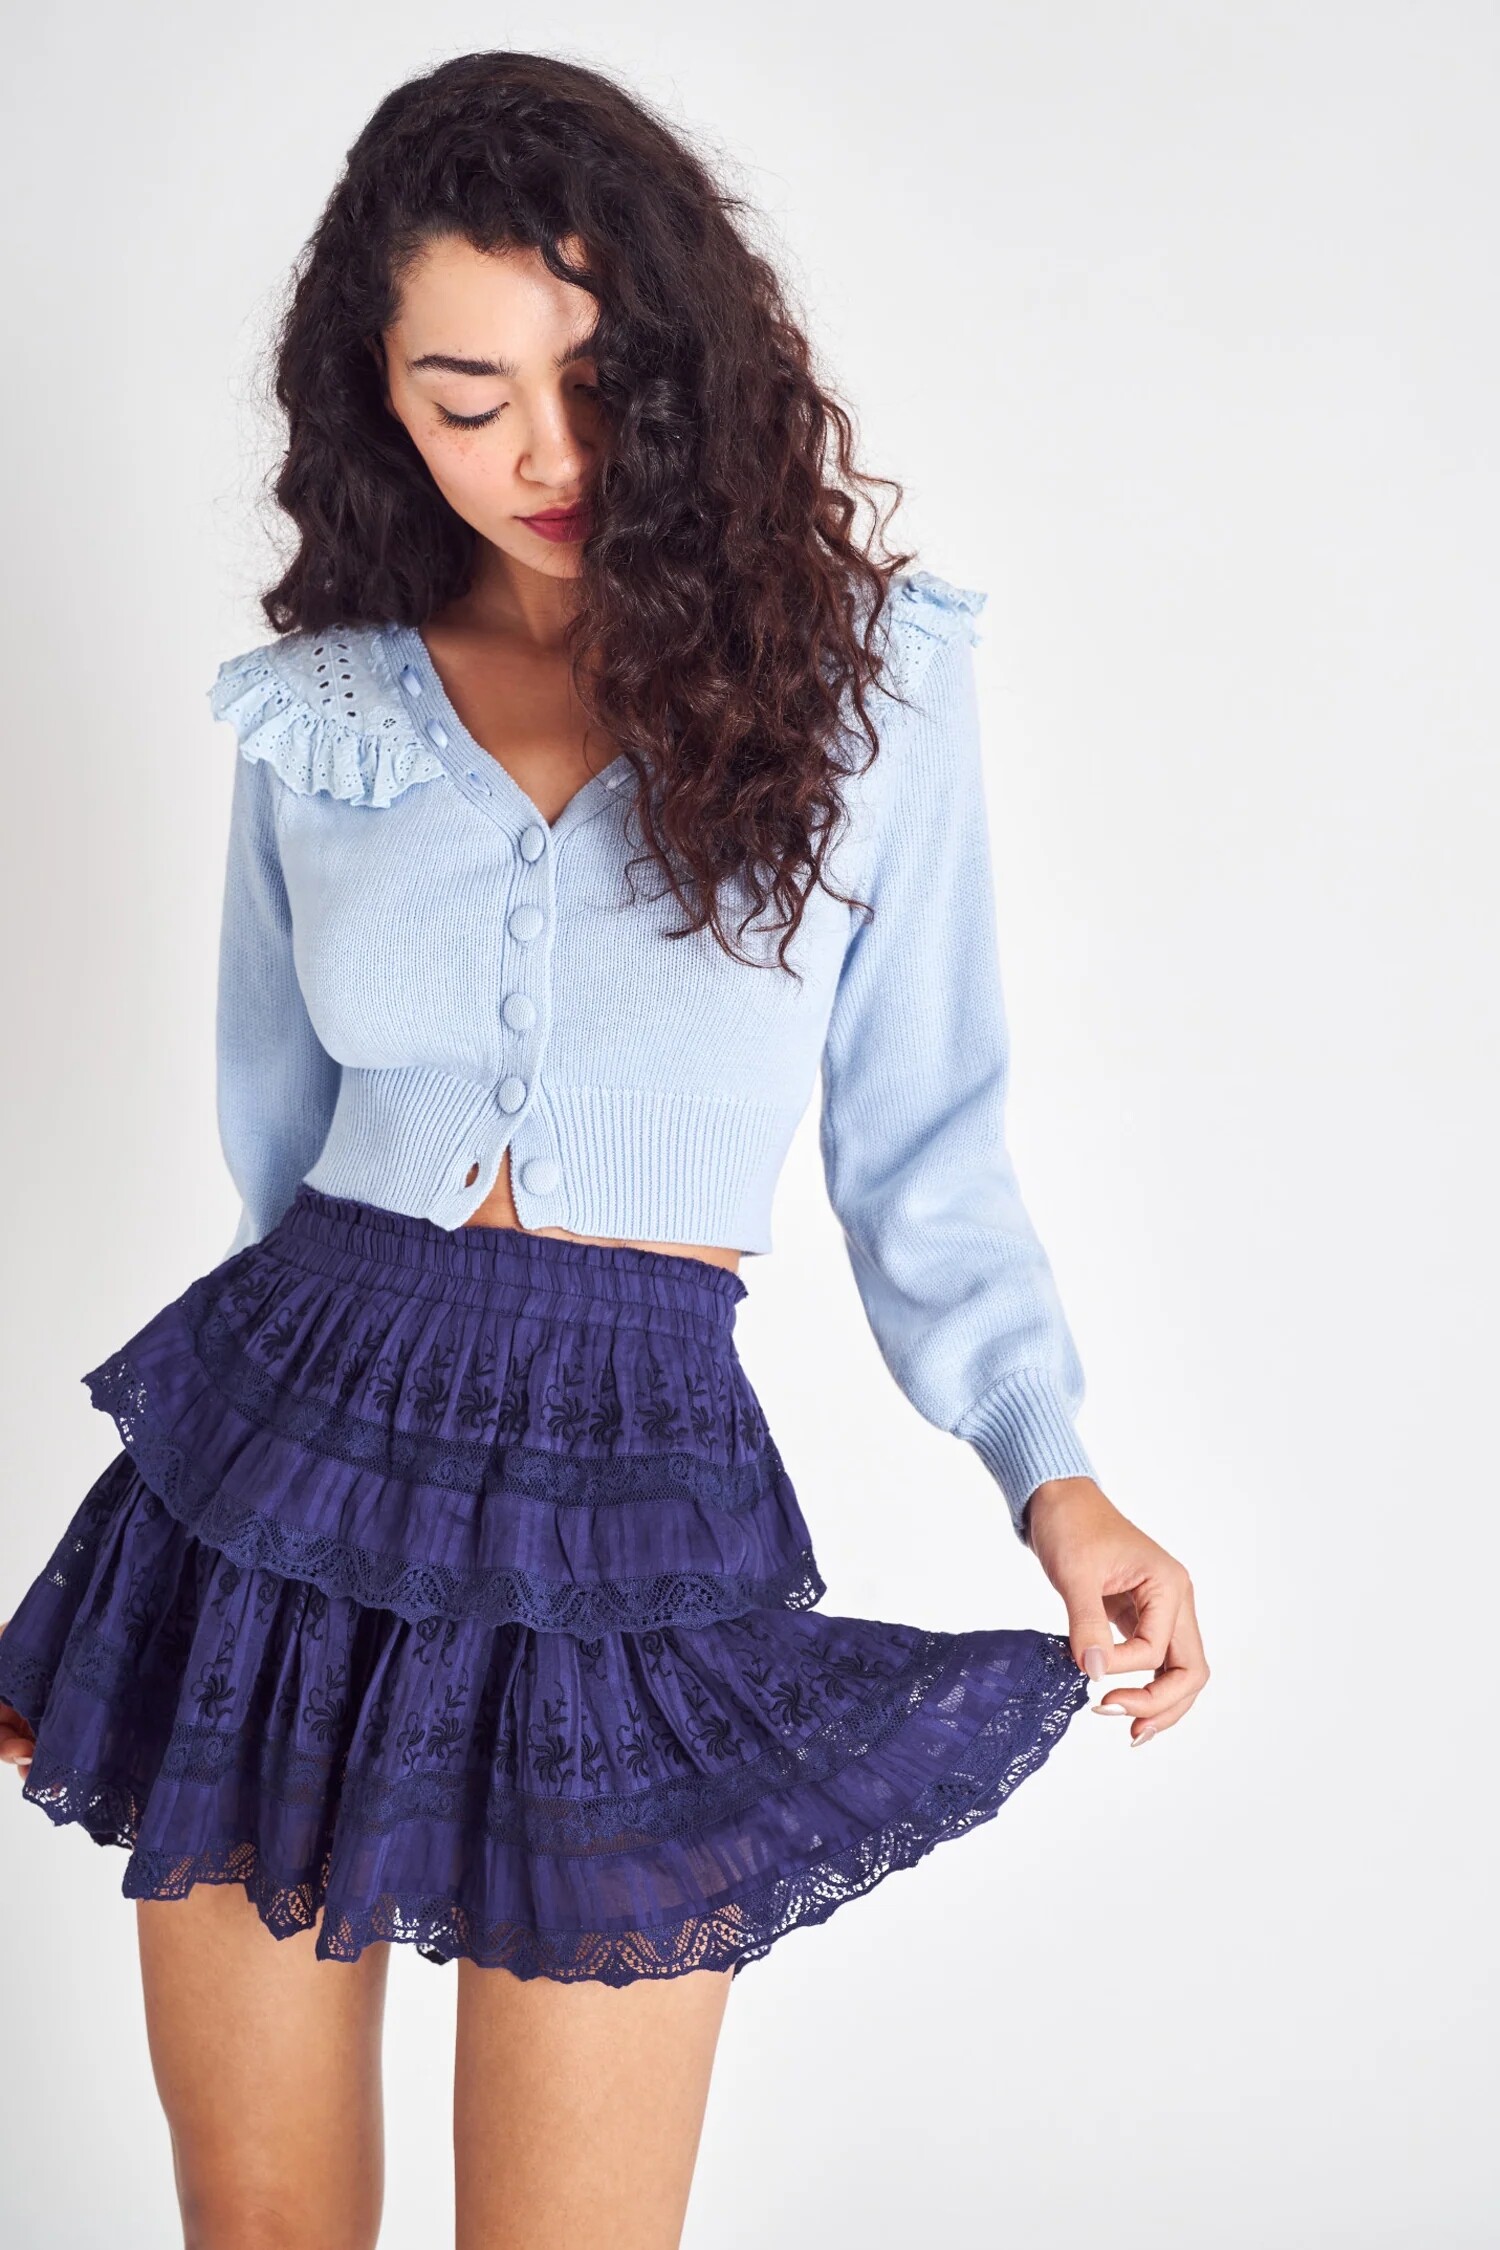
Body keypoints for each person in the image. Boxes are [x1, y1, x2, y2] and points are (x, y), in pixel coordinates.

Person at [0, 48, 1208, 2250]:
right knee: (257, 2225)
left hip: (633, 1484)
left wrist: (1056, 1472)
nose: (545, 456)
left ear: (687, 365)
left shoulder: (869, 692)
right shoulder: (324, 714)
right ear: (377, 399)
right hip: (280, 1473)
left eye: (595, 382)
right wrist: (151, 1575)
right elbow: (274, 1153)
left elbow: (922, 1149)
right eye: (467, 399)